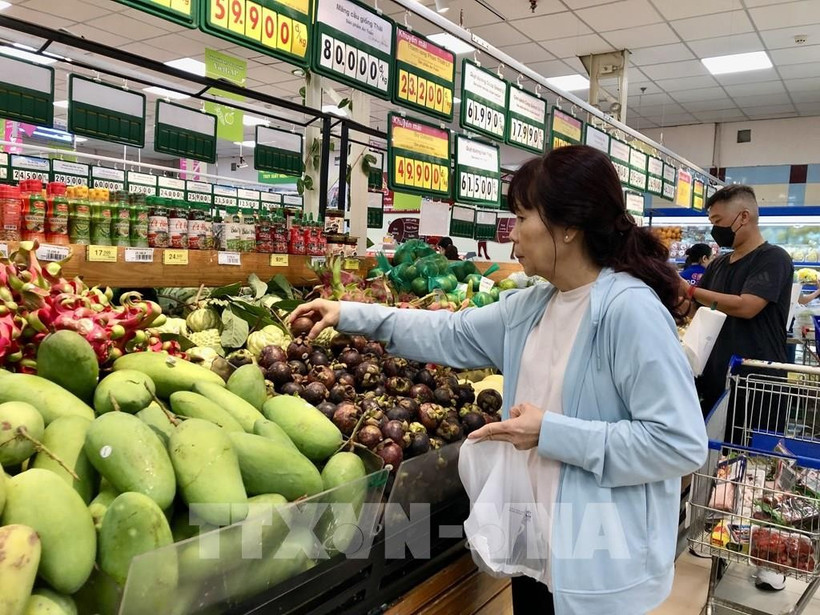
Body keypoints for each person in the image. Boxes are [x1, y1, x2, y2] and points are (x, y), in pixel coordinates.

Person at [290, 145, 707, 615]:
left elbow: (679, 443)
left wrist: (551, 432)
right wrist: (348, 313)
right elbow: (449, 331)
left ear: (568, 227)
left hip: (596, 560)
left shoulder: (629, 311)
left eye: (523, 217)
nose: (513, 235)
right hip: (537, 545)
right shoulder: (535, 306)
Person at [680, 185, 793, 592]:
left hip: (760, 382)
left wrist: (692, 290)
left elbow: (746, 305)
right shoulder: (721, 263)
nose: (715, 232)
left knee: (760, 468)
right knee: (719, 462)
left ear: (742, 217)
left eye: (718, 223)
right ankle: (719, 533)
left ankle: (769, 556)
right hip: (716, 379)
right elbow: (696, 310)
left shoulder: (774, 259)